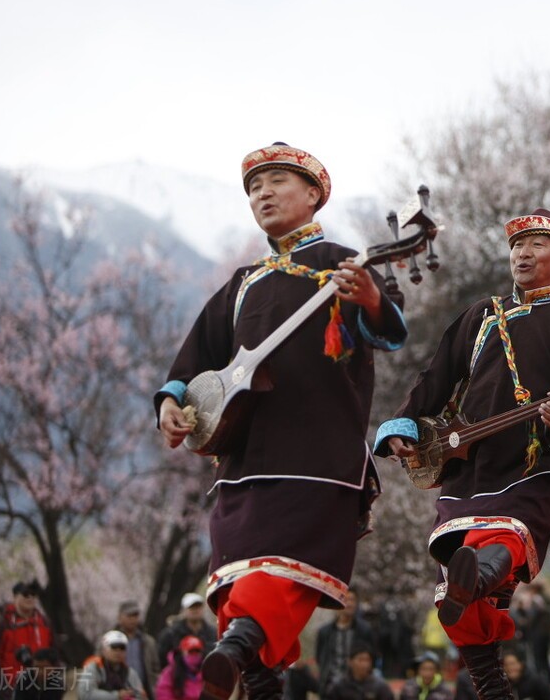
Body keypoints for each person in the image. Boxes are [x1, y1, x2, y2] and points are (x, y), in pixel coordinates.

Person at [155, 143, 408, 700]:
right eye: (253, 188)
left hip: (317, 457)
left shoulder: (347, 265)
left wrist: (370, 299)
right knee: (236, 582)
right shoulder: (243, 282)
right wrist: (171, 404)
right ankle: (242, 658)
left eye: (276, 182)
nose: (262, 194)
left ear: (314, 194)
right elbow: (194, 359)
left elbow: (390, 332)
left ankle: (233, 649)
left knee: (281, 577)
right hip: (242, 462)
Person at [376, 209, 550, 700]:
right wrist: (404, 424)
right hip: (468, 463)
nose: (522, 253)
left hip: (535, 464)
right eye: (517, 245)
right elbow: (436, 376)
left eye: (536, 245)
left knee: (503, 538)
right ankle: (493, 688)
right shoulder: (480, 315)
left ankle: (478, 575)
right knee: (450, 590)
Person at [0, 581, 54, 689]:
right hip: (11, 687)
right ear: (15, 597)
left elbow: (54, 654)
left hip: (41, 687)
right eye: (25, 594)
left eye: (33, 594)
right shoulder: (4, 624)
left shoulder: (44, 623)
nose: (30, 598)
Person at [315, 590, 376, 694]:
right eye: (345, 599)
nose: (349, 604)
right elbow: (320, 658)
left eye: (352, 600)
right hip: (330, 686)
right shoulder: (324, 632)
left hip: (357, 687)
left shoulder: (365, 630)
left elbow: (372, 656)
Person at [80, 631, 147, 700]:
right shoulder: (92, 668)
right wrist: (117, 695)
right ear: (104, 650)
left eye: (122, 648)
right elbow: (85, 694)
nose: (118, 651)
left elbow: (141, 696)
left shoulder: (130, 673)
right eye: (114, 647)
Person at [156, 595, 217, 667]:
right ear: (183, 610)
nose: (195, 610)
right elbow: (161, 659)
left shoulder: (213, 633)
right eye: (191, 607)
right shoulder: (170, 634)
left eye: (198, 607)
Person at [116, 602, 160, 694]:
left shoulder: (148, 642)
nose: (132, 619)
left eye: (135, 616)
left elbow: (155, 668)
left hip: (144, 692)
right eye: (129, 616)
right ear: (119, 618)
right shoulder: (110, 641)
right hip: (118, 692)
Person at [323, 643, 393, 700]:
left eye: (367, 660)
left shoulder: (380, 687)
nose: (365, 664)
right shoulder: (339, 686)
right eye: (360, 660)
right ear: (350, 662)